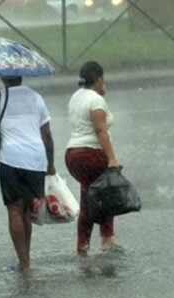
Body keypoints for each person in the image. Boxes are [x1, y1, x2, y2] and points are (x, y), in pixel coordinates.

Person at [0, 76, 55, 275]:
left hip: (10, 159)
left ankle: (23, 264)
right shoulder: (36, 97)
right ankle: (26, 261)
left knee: (14, 211)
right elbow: (46, 133)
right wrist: (51, 163)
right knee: (28, 211)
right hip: (35, 160)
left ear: (3, 77)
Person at [65, 61, 118, 257]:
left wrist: (100, 93)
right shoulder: (95, 100)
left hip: (73, 154)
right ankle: (106, 240)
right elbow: (100, 129)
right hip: (91, 154)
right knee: (106, 196)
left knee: (88, 197)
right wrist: (111, 158)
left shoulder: (77, 96)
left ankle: (83, 245)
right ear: (98, 79)